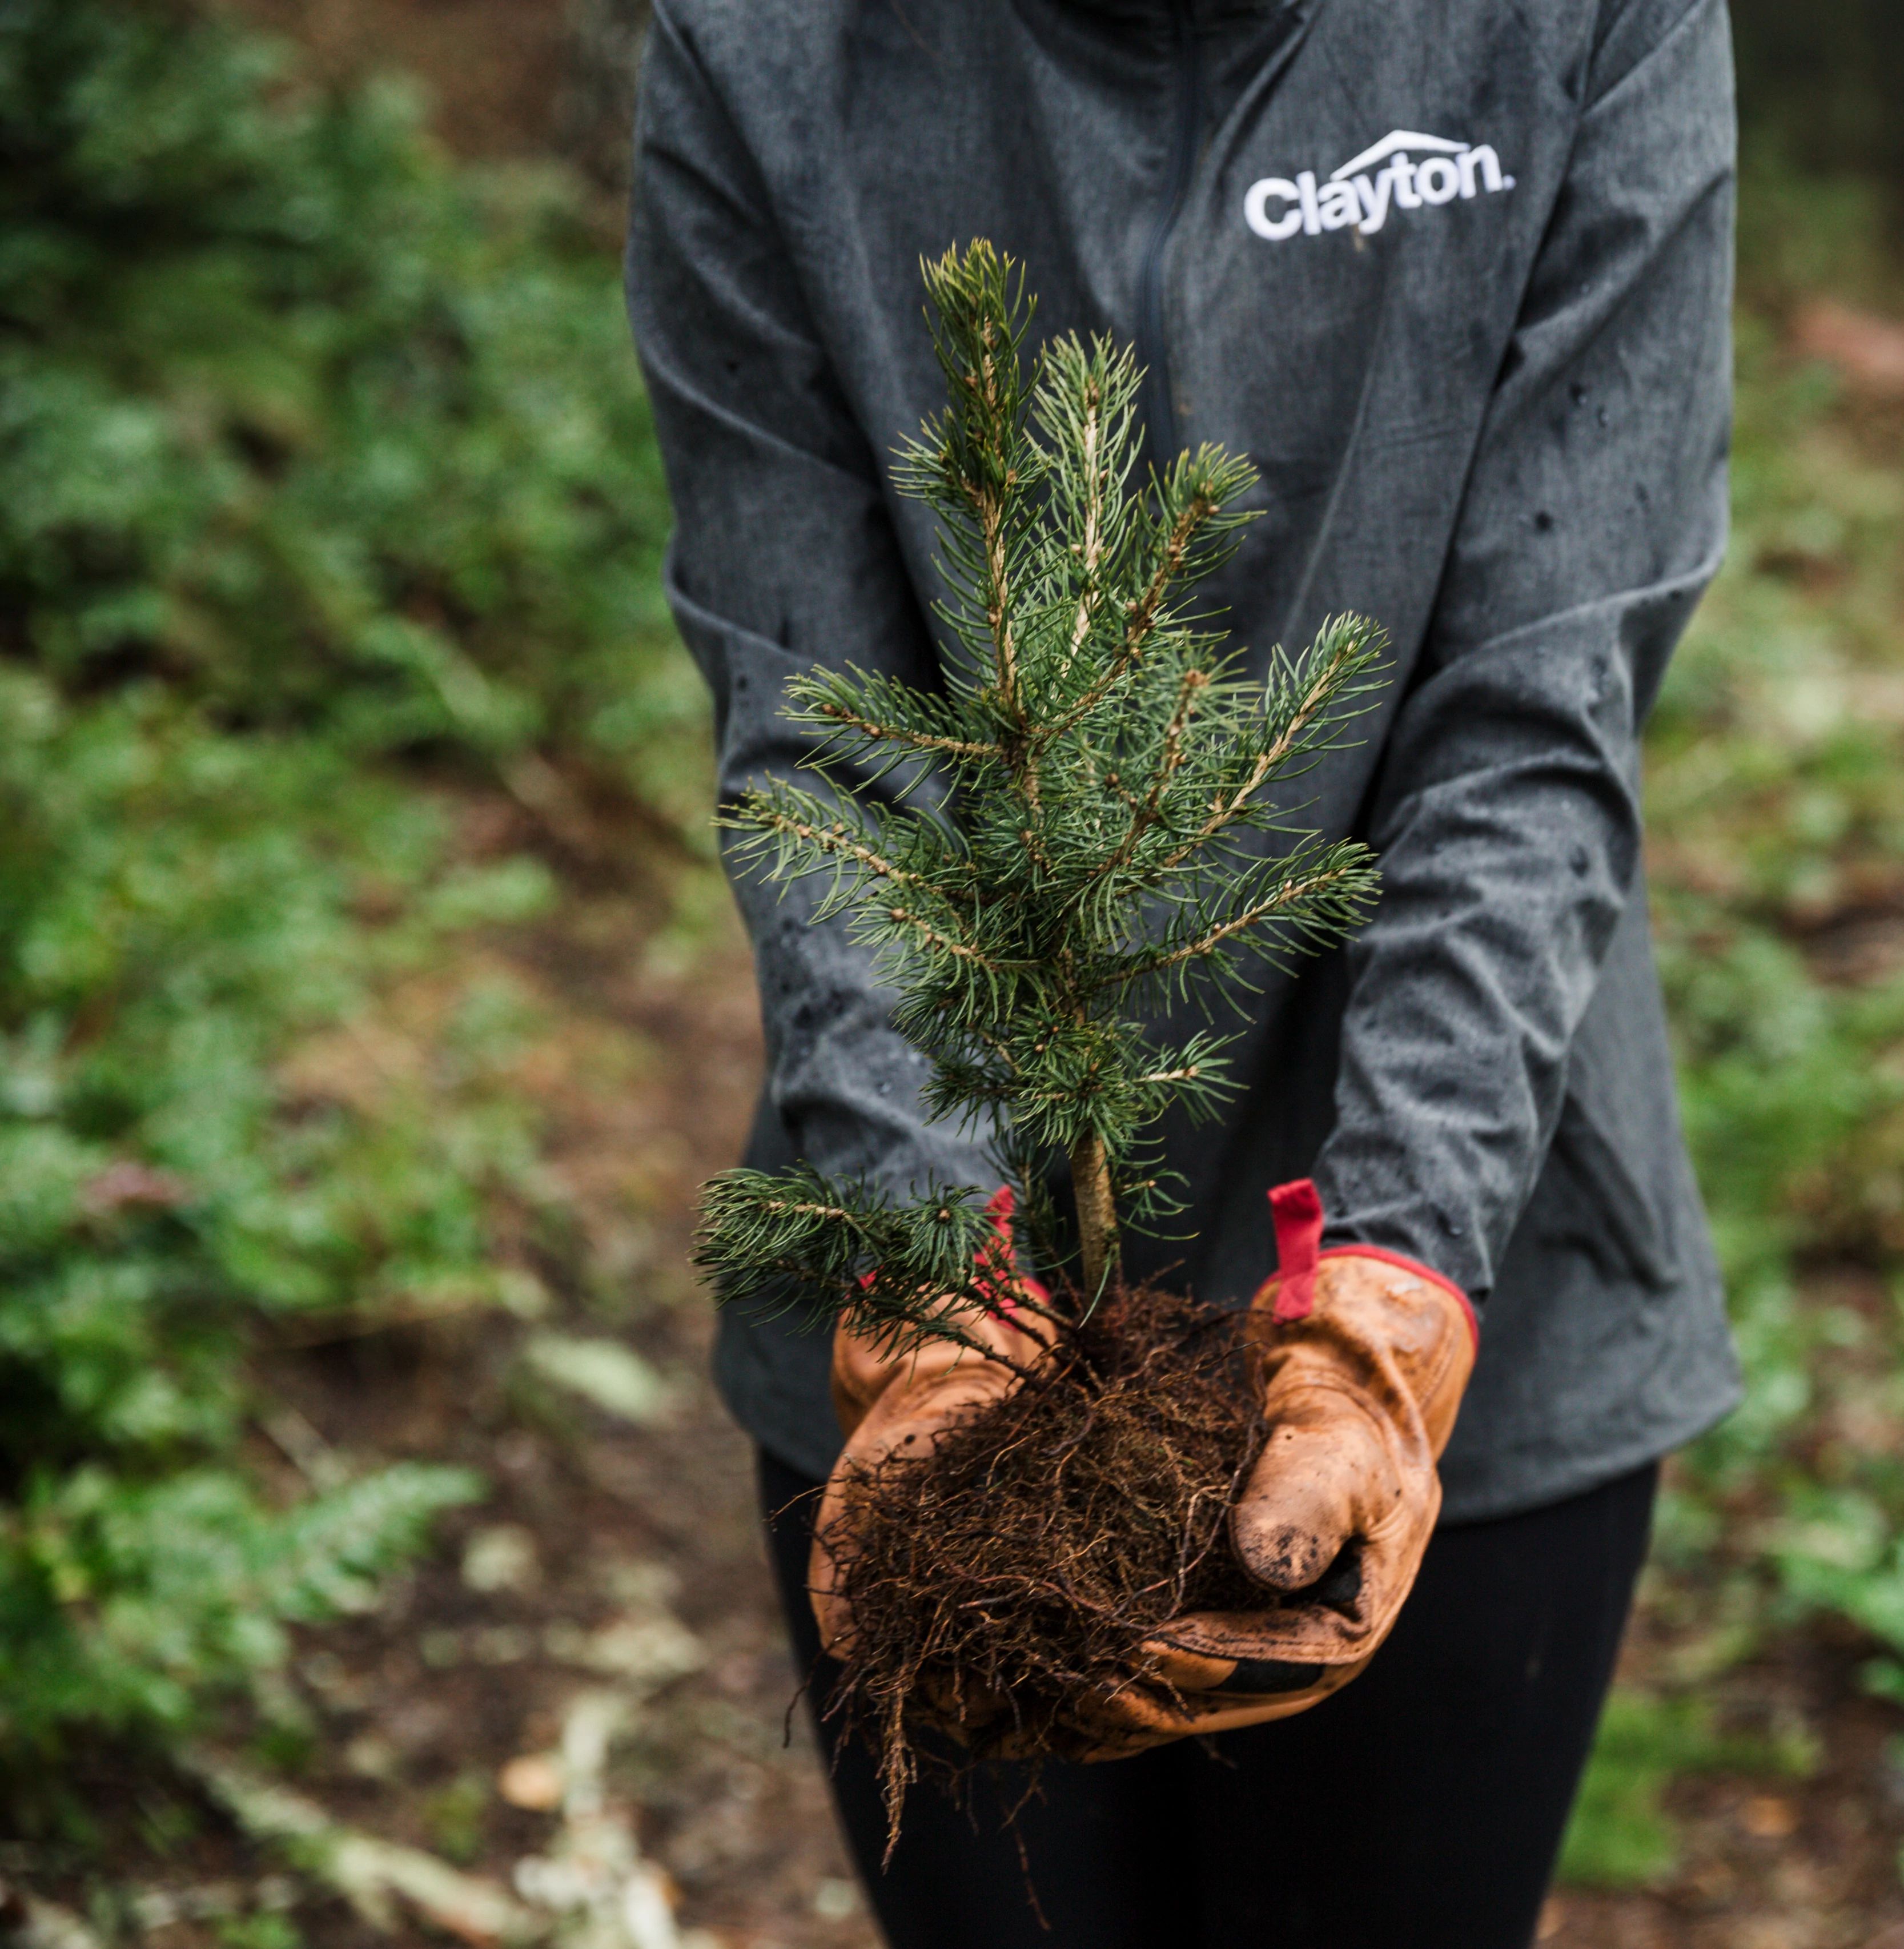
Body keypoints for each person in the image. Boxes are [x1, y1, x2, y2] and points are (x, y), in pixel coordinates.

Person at [625, 0, 1738, 1940]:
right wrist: (939, 1276)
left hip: (1485, 1240)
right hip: (942, 1277)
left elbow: (1535, 709)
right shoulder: (769, 45)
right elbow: (823, 735)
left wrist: (1390, 1299)